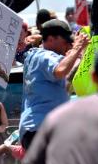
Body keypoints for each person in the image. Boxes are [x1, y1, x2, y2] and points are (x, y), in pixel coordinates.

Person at [19, 19, 89, 151]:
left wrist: (79, 55)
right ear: (50, 39)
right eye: (66, 42)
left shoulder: (36, 56)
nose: (69, 46)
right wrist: (77, 47)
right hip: (41, 128)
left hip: (39, 128)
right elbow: (60, 71)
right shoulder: (45, 56)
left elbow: (66, 82)